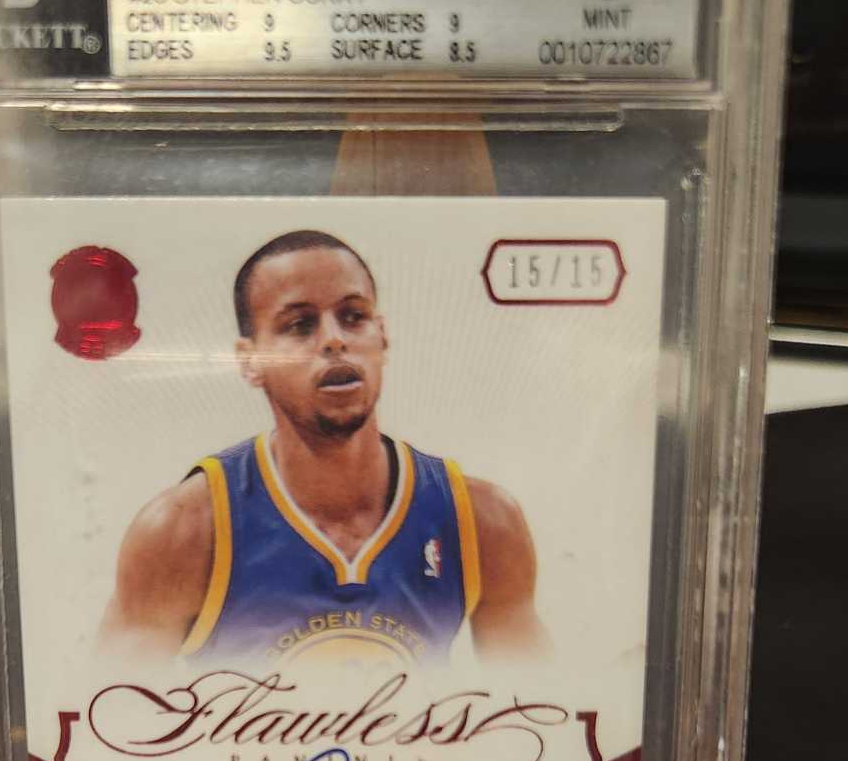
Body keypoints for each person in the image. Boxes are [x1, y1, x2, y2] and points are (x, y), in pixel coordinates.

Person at [98, 229, 548, 667]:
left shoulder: (482, 521)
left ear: (382, 336)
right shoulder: (183, 532)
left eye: (353, 316)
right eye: (300, 325)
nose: (334, 339)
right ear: (250, 361)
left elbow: (538, 702)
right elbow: (111, 708)